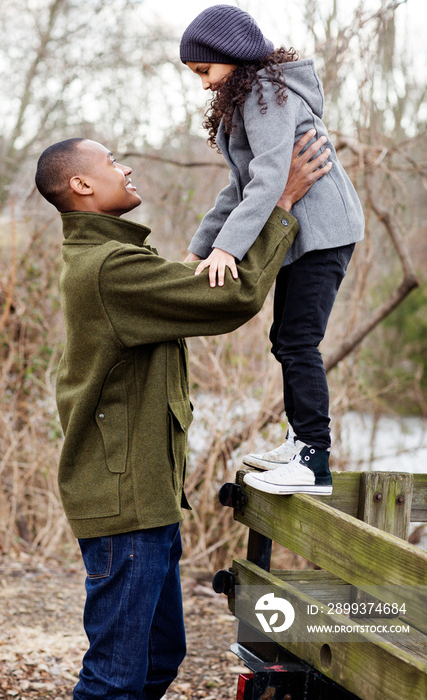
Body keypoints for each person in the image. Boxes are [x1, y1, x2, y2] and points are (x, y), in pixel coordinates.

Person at [34, 132, 330, 700]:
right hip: (125, 506)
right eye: (112, 162)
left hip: (148, 499)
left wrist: (243, 201)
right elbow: (229, 299)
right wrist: (281, 204)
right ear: (82, 184)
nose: (125, 169)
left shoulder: (118, 260)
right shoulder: (108, 268)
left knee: (160, 658)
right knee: (113, 676)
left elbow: (197, 284)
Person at [179, 4, 365, 496]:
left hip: (322, 231)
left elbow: (266, 182)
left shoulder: (267, 93)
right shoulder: (250, 97)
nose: (202, 83)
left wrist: (228, 251)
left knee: (298, 340)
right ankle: (300, 440)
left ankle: (313, 460)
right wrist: (201, 251)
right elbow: (237, 187)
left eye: (205, 70)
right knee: (286, 339)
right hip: (305, 235)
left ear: (232, 56)